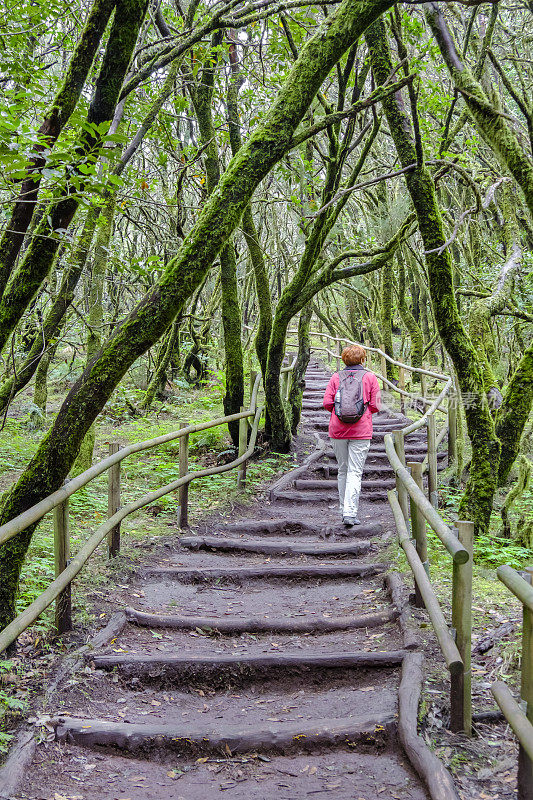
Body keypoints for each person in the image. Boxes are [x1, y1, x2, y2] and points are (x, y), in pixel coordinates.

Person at [322, 345, 381, 526]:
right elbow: (376, 405)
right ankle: (350, 512)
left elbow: (327, 403)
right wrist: (361, 412)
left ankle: (343, 509)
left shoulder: (336, 377)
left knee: (343, 470)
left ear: (344, 360)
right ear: (363, 360)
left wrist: (340, 413)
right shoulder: (370, 377)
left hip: (338, 430)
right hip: (361, 431)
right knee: (355, 472)